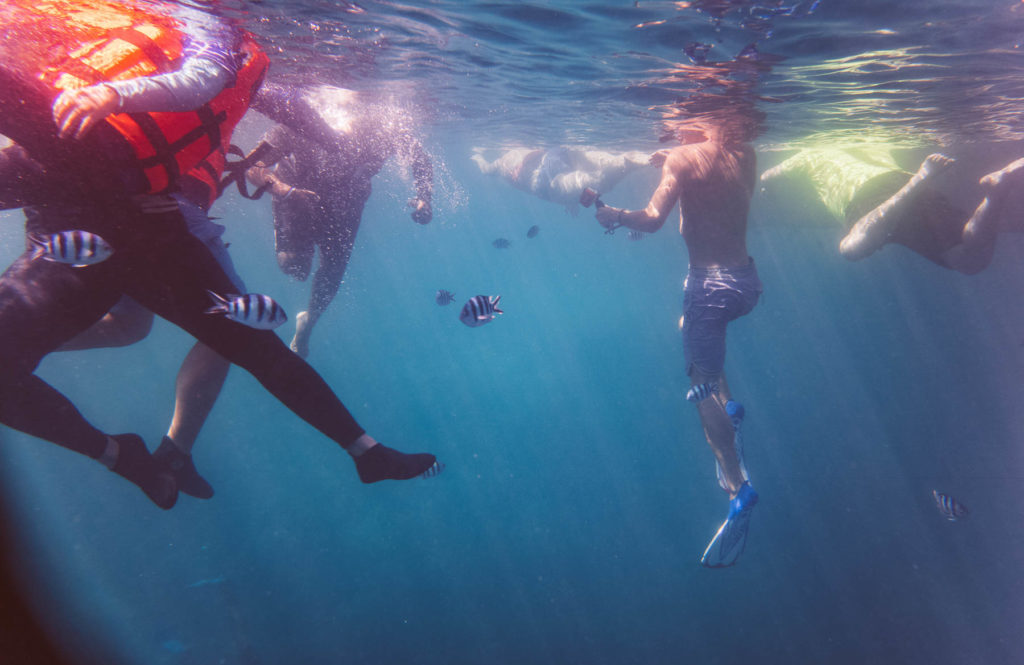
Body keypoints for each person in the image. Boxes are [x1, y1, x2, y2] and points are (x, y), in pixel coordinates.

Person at [0, 0, 443, 510]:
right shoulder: (106, 70)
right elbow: (262, 98)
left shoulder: (172, 43)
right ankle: (124, 455)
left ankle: (365, 452)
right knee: (248, 343)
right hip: (124, 228)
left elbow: (220, 81)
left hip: (135, 228)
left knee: (249, 342)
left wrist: (114, 92)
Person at [593, 120, 761, 568]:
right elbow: (717, 175)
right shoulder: (745, 152)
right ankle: (730, 406)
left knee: (700, 381)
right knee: (692, 327)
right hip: (745, 282)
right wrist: (675, 161)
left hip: (708, 287)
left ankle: (735, 484)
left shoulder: (683, 159)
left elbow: (650, 221)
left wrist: (614, 216)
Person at [245, 86, 434, 357]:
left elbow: (420, 160)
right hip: (296, 198)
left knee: (333, 270)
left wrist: (424, 197)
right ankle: (295, 259)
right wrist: (283, 191)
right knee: (294, 267)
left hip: (347, 205)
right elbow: (253, 166)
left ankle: (308, 323)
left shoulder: (385, 130)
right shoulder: (302, 119)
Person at [760, 146, 1024, 274]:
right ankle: (996, 191)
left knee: (851, 249)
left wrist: (770, 191)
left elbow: (767, 177)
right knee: (969, 261)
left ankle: (920, 180)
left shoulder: (811, 152)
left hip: (868, 193)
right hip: (903, 181)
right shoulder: (873, 139)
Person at [471, 146, 651, 214]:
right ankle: (633, 159)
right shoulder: (516, 151)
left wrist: (478, 158)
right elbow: (541, 150)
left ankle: (627, 163)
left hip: (545, 183)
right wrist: (570, 202)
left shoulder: (501, 164)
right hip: (557, 155)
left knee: (594, 181)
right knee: (591, 159)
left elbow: (487, 170)